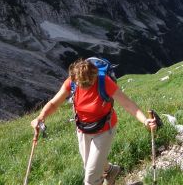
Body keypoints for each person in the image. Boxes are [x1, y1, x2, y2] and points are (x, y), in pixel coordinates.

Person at [30, 58, 159, 185]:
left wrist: (145, 121)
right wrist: (40, 117)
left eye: (88, 82)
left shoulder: (104, 82)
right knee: (91, 164)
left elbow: (128, 104)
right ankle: (111, 171)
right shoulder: (72, 82)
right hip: (83, 130)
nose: (85, 85)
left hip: (105, 129)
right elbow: (54, 103)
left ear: (95, 75)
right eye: (82, 83)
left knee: (90, 178)